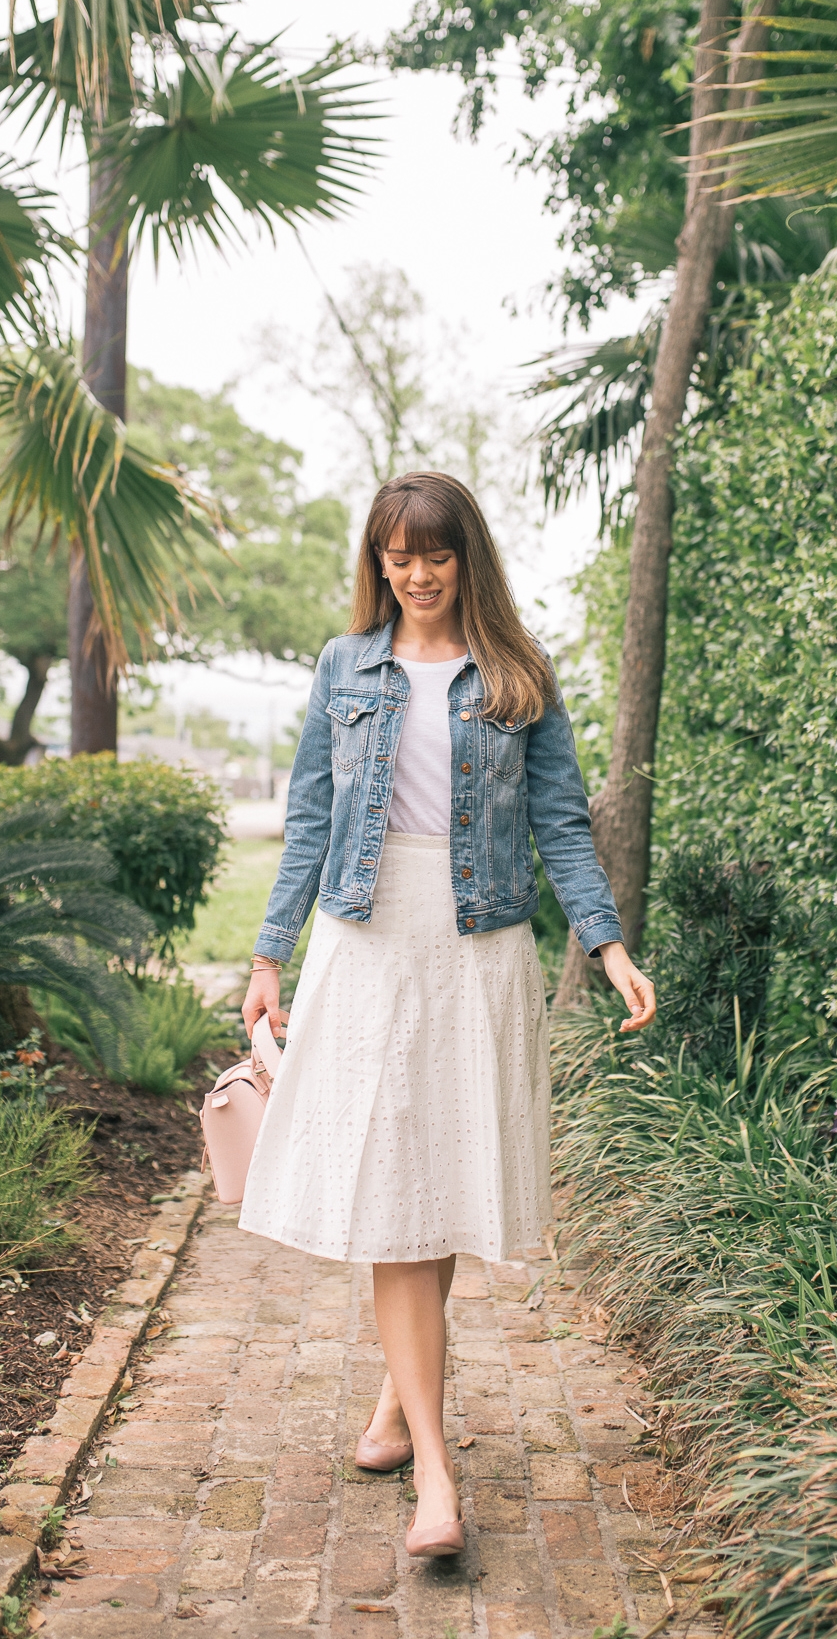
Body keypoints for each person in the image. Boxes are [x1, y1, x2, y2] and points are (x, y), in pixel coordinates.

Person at [238, 471, 655, 1560]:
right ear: (376, 562)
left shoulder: (516, 673)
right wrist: (270, 957)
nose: (415, 575)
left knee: (440, 1178)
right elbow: (310, 819)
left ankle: (394, 1406)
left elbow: (562, 822)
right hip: (367, 943)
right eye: (397, 557)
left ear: (467, 557)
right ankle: (434, 1467)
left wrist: (607, 946)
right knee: (392, 1185)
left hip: (478, 946)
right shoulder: (344, 667)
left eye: (434, 555)